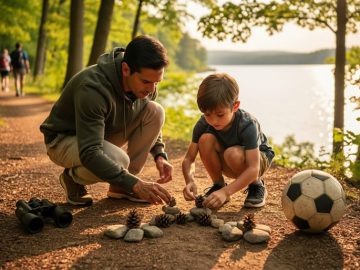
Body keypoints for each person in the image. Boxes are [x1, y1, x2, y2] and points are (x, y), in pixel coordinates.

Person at [40, 35, 173, 206]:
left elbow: (148, 118)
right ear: (126, 69)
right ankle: (72, 178)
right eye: (146, 81)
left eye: (157, 82)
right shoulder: (93, 89)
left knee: (156, 111)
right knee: (118, 159)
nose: (151, 89)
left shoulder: (145, 86)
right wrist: (136, 183)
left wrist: (160, 155)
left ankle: (121, 187)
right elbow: (90, 152)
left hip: (100, 133)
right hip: (63, 140)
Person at [182, 73, 274, 209]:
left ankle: (257, 186)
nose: (213, 121)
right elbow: (189, 159)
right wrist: (189, 181)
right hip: (228, 159)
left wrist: (226, 192)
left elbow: (254, 168)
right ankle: (218, 185)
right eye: (207, 114)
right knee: (205, 139)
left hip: (257, 161)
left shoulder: (248, 124)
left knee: (232, 153)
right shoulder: (202, 124)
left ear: (235, 106)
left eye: (220, 115)